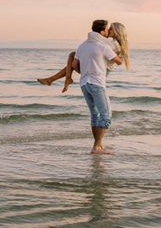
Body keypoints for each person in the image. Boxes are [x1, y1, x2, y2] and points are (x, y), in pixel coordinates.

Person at [72, 19, 123, 154]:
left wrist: (86, 74)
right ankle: (97, 146)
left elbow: (73, 65)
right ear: (101, 32)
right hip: (97, 84)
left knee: (95, 115)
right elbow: (119, 62)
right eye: (106, 29)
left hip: (84, 84)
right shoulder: (103, 47)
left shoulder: (82, 45)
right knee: (106, 116)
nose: (107, 32)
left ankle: (98, 146)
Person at [37, 21, 130, 92]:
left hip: (98, 71)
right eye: (108, 28)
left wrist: (96, 33)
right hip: (98, 70)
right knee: (73, 56)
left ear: (117, 32)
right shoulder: (114, 43)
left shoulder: (111, 43)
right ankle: (61, 79)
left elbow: (93, 38)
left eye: (111, 29)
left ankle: (60, 79)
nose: (108, 30)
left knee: (72, 55)